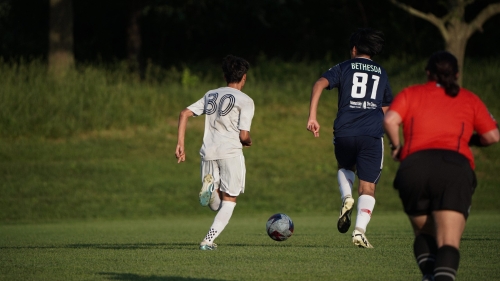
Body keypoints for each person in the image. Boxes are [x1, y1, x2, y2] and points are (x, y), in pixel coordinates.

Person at [384, 51, 499, 281]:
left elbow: (389, 120)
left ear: (428, 72)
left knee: (424, 234)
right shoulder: (469, 98)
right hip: (453, 168)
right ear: (456, 74)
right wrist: (471, 139)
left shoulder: (411, 93)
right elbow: (492, 136)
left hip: (414, 167)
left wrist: (397, 147)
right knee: (448, 241)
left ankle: (429, 276)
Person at [306, 28, 393, 248]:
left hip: (344, 132)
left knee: (345, 166)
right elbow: (387, 106)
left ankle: (346, 197)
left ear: (354, 49)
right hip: (371, 134)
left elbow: (319, 84)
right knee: (368, 187)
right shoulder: (381, 72)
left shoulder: (344, 67)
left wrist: (313, 116)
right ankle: (359, 231)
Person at [175, 55, 255, 251]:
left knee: (214, 204)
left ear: (225, 75)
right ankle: (208, 240)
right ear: (244, 77)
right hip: (230, 152)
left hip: (208, 152)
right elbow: (244, 135)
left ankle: (210, 189)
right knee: (230, 200)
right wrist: (248, 142)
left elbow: (184, 113)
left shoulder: (211, 94)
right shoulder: (245, 100)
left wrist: (180, 144)